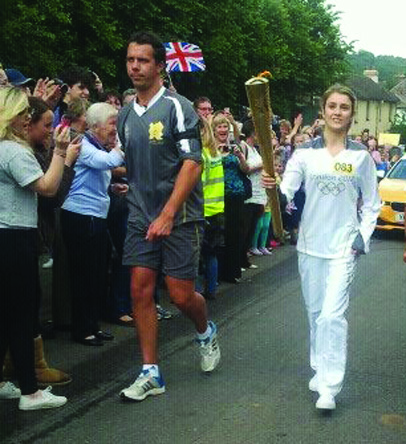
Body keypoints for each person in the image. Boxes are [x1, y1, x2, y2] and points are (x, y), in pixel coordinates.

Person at [263, 84, 381, 411]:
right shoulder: (304, 154)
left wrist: (363, 236)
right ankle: (319, 366)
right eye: (333, 105)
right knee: (315, 314)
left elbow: (372, 204)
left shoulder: (359, 156)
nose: (338, 111)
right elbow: (287, 192)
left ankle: (329, 386)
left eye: (344, 107)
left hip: (343, 247)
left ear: (351, 114)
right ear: (323, 110)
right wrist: (275, 190)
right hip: (310, 245)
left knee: (332, 315)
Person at [118, 31, 220, 402]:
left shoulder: (179, 107)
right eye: (131, 59)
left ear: (160, 66)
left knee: (179, 296)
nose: (135, 67)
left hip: (180, 218)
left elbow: (192, 164)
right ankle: (151, 372)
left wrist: (167, 212)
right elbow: (132, 162)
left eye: (143, 60)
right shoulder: (126, 113)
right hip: (139, 216)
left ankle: (205, 330)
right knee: (140, 290)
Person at [0, 86, 74, 410]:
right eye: (22, 112)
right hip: (15, 236)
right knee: (20, 313)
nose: (27, 117)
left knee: (6, 315)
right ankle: (30, 392)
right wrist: (60, 153)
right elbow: (46, 187)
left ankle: (3, 381)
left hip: (9, 235)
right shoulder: (13, 151)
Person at [61, 103, 125, 346]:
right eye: (112, 123)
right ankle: (82, 329)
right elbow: (107, 162)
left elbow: (91, 177)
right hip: (80, 216)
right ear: (95, 125)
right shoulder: (84, 145)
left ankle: (92, 325)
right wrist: (123, 144)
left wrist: (111, 187)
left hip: (95, 215)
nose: (115, 129)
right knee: (84, 275)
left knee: (97, 272)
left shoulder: (97, 144)